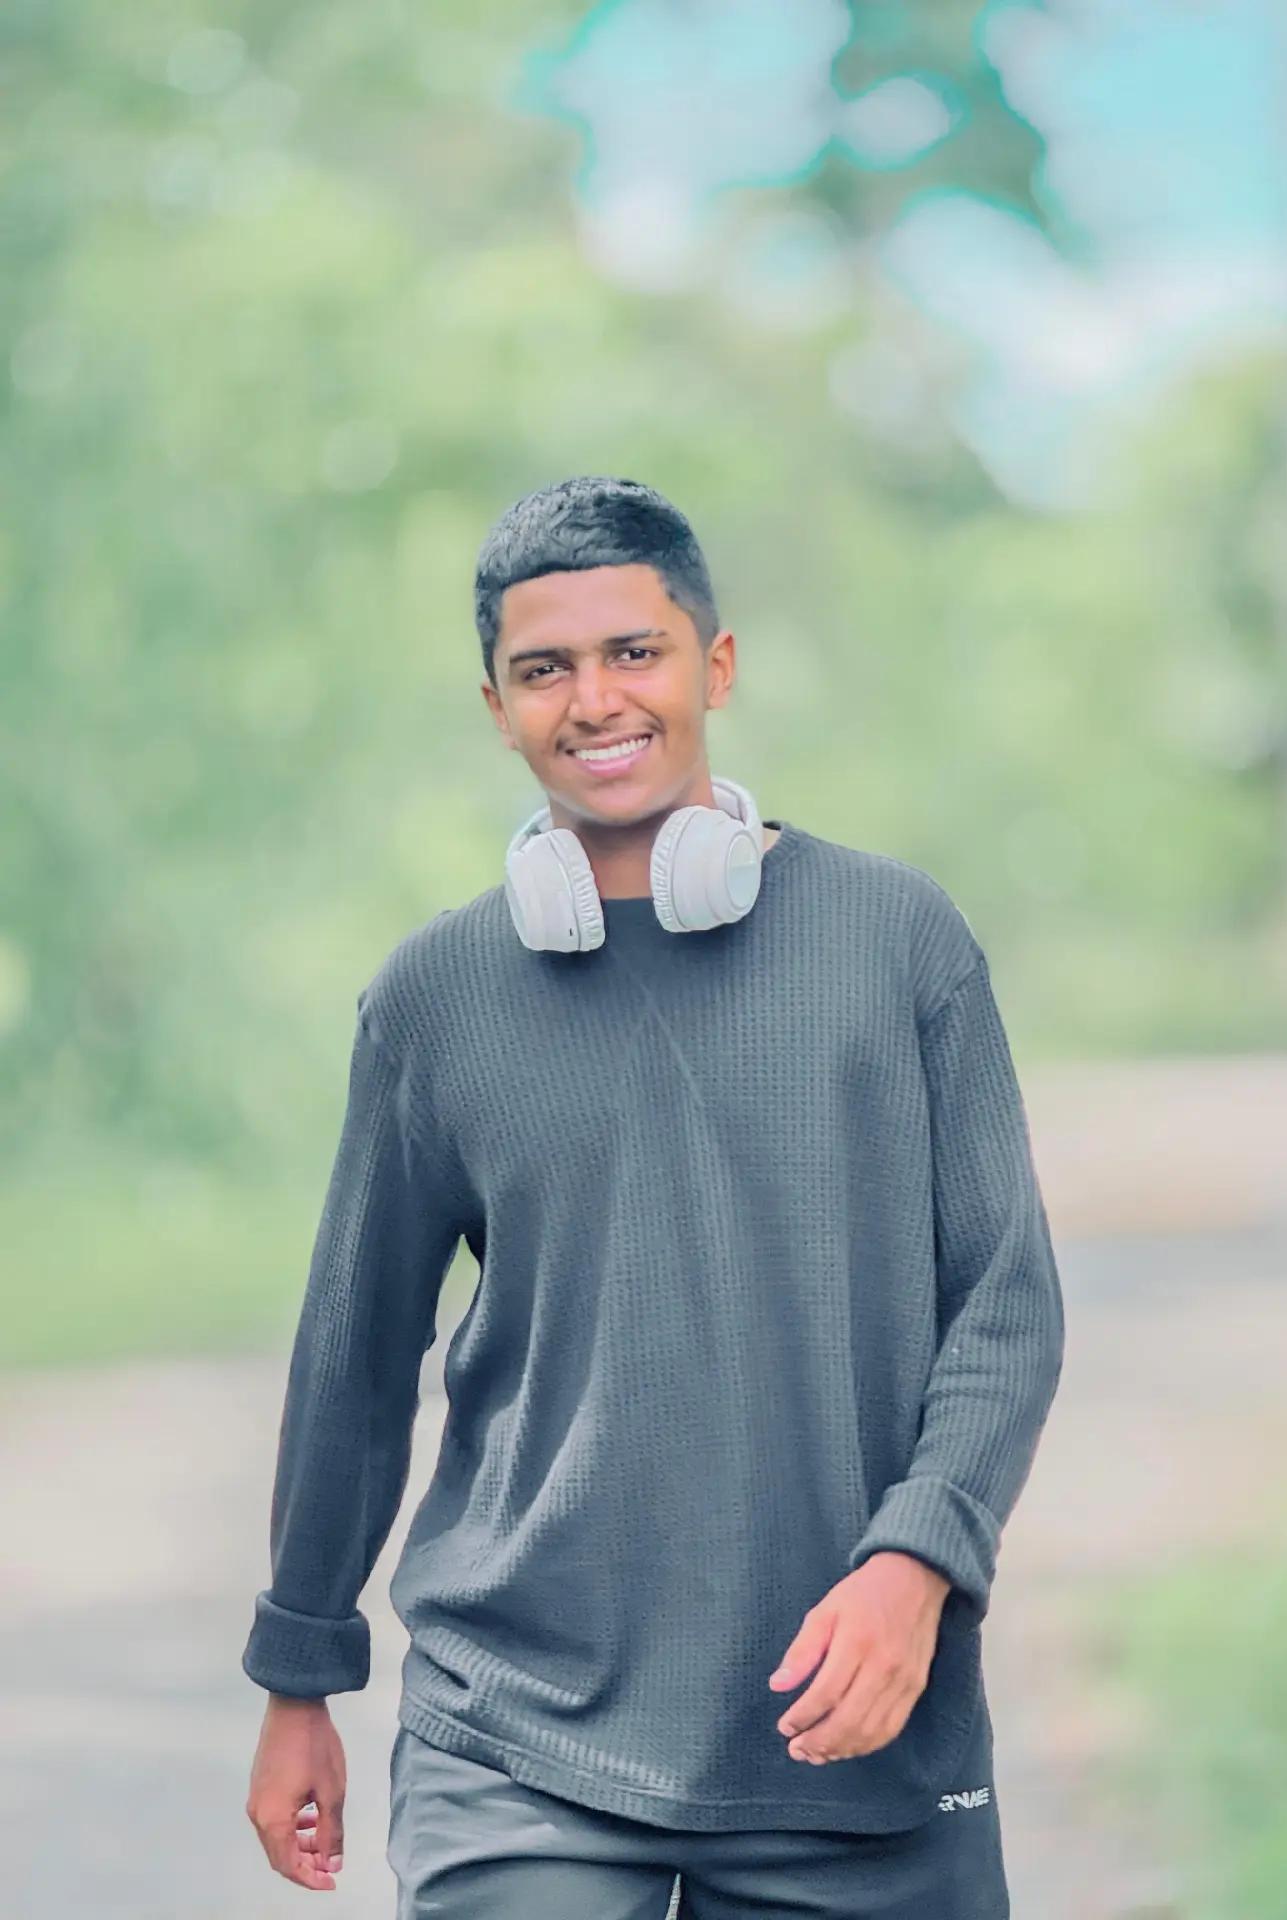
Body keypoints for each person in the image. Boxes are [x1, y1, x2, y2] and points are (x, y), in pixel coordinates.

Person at [242, 475, 1066, 1918]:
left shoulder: (899, 941)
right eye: (544, 668)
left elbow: (1004, 1308)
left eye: (636, 651)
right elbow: (355, 1360)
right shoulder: (434, 999)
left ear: (716, 666)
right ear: (497, 707)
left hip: (852, 1730)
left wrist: (919, 1559)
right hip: (513, 1735)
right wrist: (299, 1673)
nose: (595, 700)